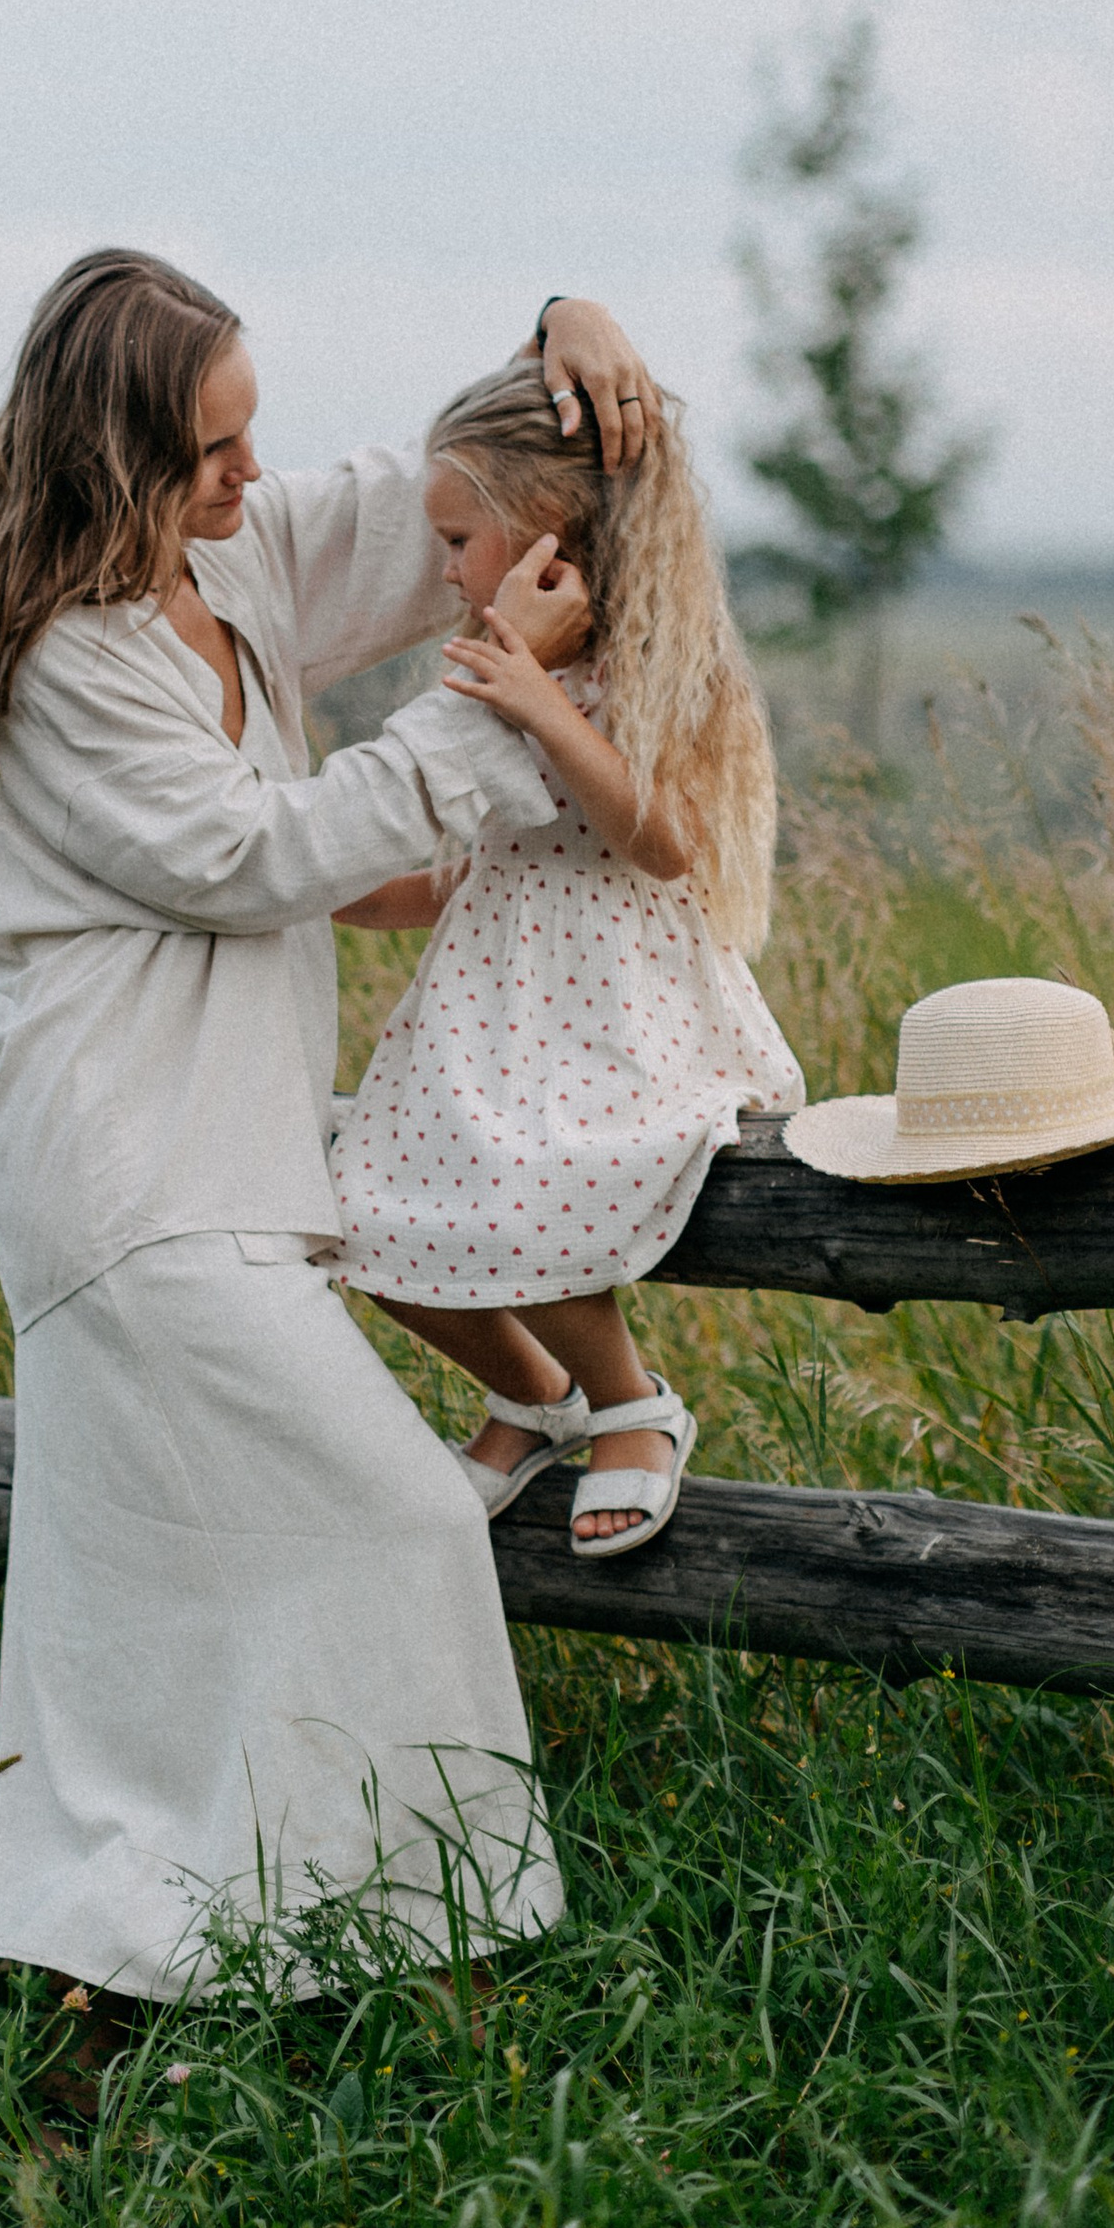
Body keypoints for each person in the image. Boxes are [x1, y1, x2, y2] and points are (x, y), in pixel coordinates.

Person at [0, 249, 655, 2029]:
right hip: (129, 1174)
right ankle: (444, 1967)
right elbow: (257, 857)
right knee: (402, 1521)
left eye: (250, 438)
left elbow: (451, 515)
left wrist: (563, 324)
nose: (252, 478)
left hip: (229, 1169)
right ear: (111, 464)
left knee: (160, 1611)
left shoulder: (223, 553)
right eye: (211, 451)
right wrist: (497, 703)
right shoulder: (60, 662)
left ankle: (125, 1988)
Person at [331, 355, 802, 1557]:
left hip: (614, 1006)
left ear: (545, 534)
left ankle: (632, 1405)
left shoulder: (652, 669)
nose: (441, 569)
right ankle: (531, 1398)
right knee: (357, 1212)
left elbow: (662, 846)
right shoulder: (493, 671)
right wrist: (309, 881)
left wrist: (539, 701)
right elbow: (457, 859)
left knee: (533, 1176)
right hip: (491, 1002)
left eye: (455, 540)